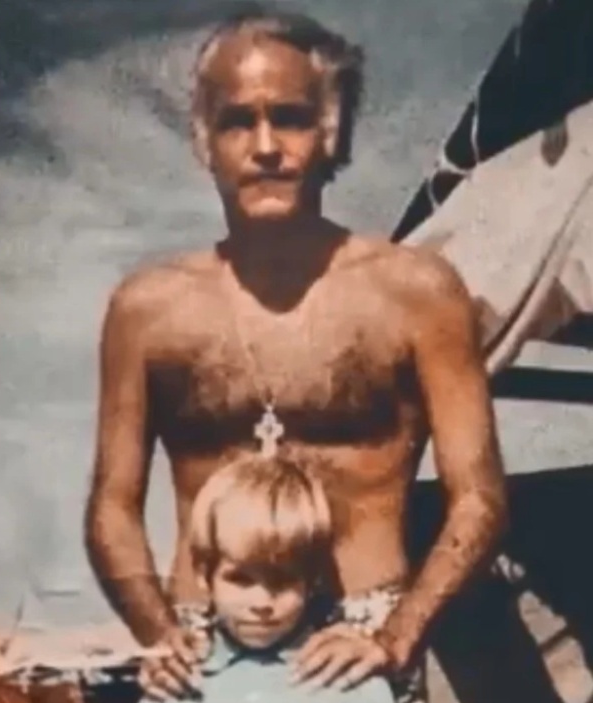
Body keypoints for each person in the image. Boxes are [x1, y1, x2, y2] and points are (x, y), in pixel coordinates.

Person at [84, 9, 508, 703]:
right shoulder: (147, 309)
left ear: (330, 133)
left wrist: (395, 638)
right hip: (198, 644)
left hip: (362, 642)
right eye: (236, 122)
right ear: (204, 141)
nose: (265, 146)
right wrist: (160, 635)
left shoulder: (416, 292)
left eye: (289, 118)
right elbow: (112, 505)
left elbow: (480, 497)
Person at [140, 450, 394, 702]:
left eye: (282, 581)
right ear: (204, 574)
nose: (262, 603)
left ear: (311, 579)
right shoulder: (177, 679)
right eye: (240, 579)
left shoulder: (348, 678)